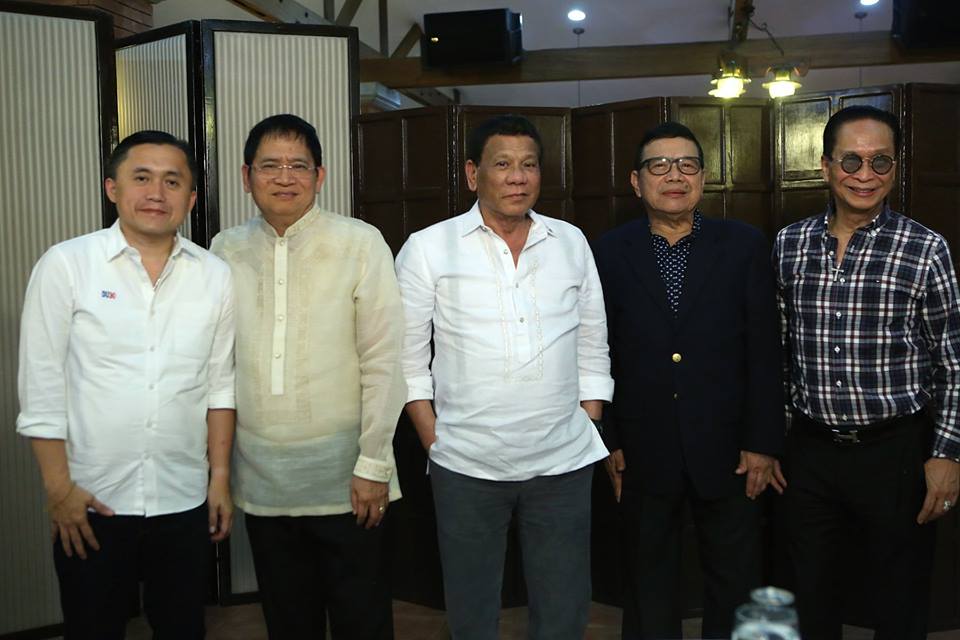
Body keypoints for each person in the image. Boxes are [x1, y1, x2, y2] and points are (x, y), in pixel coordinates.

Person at [395, 114, 613, 640]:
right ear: (473, 174)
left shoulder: (570, 241)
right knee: (471, 610)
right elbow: (405, 357)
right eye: (503, 164)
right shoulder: (429, 246)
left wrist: (589, 418)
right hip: (466, 462)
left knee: (563, 608)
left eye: (529, 165)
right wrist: (433, 439)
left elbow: (592, 341)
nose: (518, 177)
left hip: (562, 462)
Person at [16, 130, 236, 639]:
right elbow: (41, 388)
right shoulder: (67, 265)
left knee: (183, 628)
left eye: (172, 181)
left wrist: (220, 479)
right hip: (91, 499)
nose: (156, 193)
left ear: (191, 198)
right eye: (142, 178)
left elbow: (220, 385)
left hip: (183, 498)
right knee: (93, 627)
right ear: (112, 188)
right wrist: (59, 490)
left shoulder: (214, 275)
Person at [210, 114, 406, 640]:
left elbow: (385, 360)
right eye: (269, 166)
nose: (284, 177)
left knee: (361, 620)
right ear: (246, 175)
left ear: (320, 176)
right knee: (287, 618)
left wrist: (373, 463)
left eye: (298, 166)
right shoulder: (224, 250)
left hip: (349, 477)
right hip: (263, 480)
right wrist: (220, 472)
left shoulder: (359, 243)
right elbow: (217, 367)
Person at [773, 104, 960, 640]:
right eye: (851, 160)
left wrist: (946, 454)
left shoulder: (925, 249)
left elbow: (953, 361)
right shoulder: (789, 244)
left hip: (895, 451)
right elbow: (778, 351)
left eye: (880, 161)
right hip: (809, 451)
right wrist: (774, 438)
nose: (865, 175)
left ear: (895, 168)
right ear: (827, 166)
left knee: (900, 599)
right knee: (809, 596)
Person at [594, 121, 785, 639]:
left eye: (687, 165)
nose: (674, 176)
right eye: (659, 165)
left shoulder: (743, 245)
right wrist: (609, 439)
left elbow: (765, 350)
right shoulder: (607, 252)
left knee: (734, 579)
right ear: (636, 181)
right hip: (642, 447)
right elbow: (595, 351)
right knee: (647, 582)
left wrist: (763, 443)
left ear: (702, 177)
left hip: (730, 449)